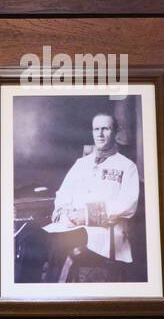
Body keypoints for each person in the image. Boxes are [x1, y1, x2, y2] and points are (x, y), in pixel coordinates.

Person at [41, 111, 140, 282]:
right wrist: (64, 213)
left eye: (105, 129)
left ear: (115, 132)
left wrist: (85, 215)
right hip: (71, 234)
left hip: (106, 241)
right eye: (96, 129)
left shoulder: (127, 166)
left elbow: (128, 205)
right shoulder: (81, 164)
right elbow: (63, 194)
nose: (100, 134)